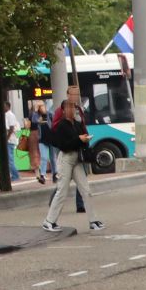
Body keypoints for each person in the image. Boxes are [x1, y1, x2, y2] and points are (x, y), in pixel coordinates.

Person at [42, 89, 104, 232]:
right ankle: (49, 221)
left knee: (86, 190)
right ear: (63, 110)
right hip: (66, 159)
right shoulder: (61, 126)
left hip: (76, 159)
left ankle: (93, 220)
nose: (72, 110)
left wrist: (84, 140)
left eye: (73, 107)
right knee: (62, 191)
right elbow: (63, 145)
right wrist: (79, 139)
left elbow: (80, 140)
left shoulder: (76, 123)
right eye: (69, 107)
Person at [28, 99, 53, 183]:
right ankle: (40, 174)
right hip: (38, 137)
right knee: (39, 156)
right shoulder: (34, 115)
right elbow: (34, 120)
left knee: (50, 157)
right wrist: (35, 110)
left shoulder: (48, 114)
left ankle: (52, 173)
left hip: (46, 137)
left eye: (42, 105)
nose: (41, 107)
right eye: (39, 106)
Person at [2, 99, 21, 182]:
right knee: (9, 159)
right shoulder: (6, 115)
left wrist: (6, 138)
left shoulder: (10, 115)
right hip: (9, 139)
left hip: (10, 140)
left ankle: (15, 175)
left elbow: (11, 128)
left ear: (8, 106)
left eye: (4, 106)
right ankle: (14, 174)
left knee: (9, 159)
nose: (3, 107)